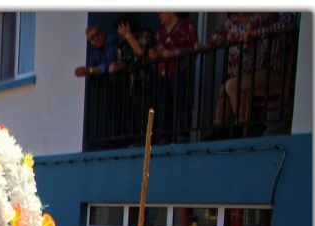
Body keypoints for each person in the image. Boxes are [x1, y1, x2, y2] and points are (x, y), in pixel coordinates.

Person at [206, 13, 297, 131]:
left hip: (275, 73)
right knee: (226, 88)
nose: (259, 13)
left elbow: (284, 28)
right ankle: (220, 129)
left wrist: (254, 33)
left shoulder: (285, 17)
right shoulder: (261, 25)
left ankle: (246, 126)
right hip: (260, 72)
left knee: (231, 86)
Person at [150, 12, 198, 143]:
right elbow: (159, 48)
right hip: (162, 72)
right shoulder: (160, 31)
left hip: (179, 70)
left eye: (160, 13)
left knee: (181, 102)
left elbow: (194, 48)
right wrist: (155, 53)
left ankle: (183, 135)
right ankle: (165, 136)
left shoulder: (186, 26)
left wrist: (174, 53)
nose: (159, 16)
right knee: (164, 104)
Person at [108, 15, 155, 141]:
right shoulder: (121, 44)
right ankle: (137, 139)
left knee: (146, 111)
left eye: (120, 28)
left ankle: (147, 140)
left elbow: (140, 52)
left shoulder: (144, 34)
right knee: (133, 113)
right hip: (131, 84)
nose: (119, 32)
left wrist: (129, 36)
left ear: (126, 26)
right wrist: (115, 65)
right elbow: (122, 61)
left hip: (147, 80)